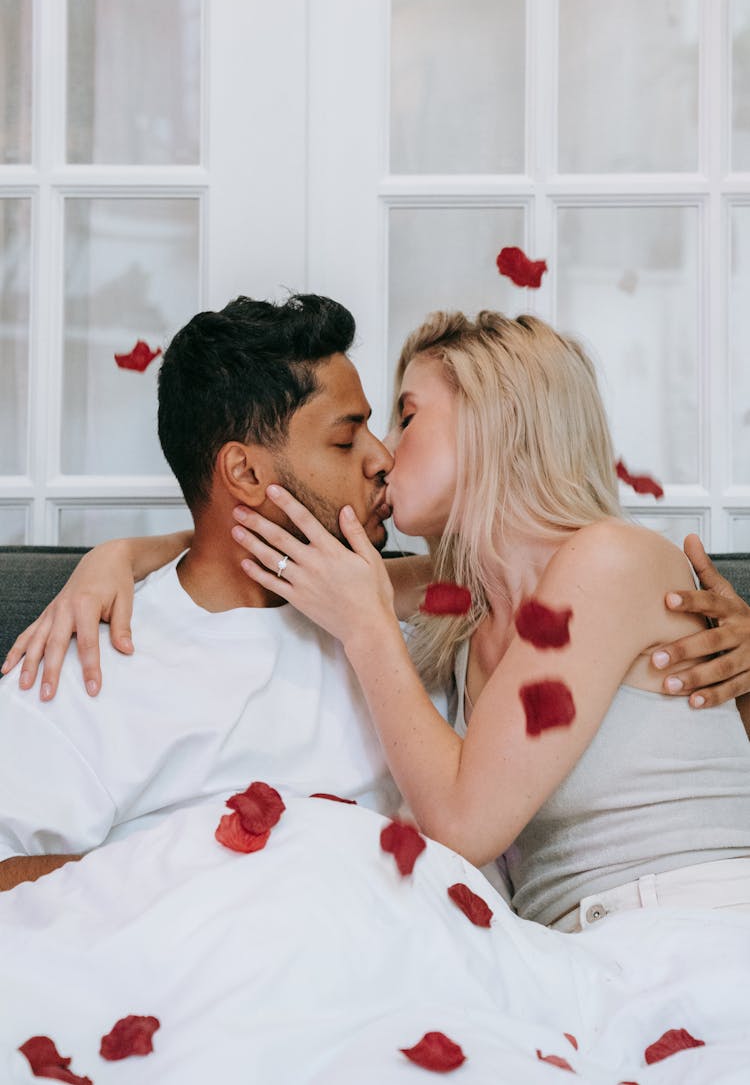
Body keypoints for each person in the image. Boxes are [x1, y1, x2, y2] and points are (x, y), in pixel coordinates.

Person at [228, 310, 750, 929]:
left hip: (700, 928)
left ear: (493, 419)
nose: (385, 453)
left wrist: (366, 627)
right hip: (579, 958)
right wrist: (120, 558)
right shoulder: (466, 599)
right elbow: (262, 558)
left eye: (409, 416)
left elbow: (463, 826)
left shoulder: (611, 561)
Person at [0, 293, 414, 892]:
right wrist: (217, 875)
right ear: (245, 474)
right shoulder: (87, 666)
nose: (383, 460)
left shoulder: (400, 627)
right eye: (346, 441)